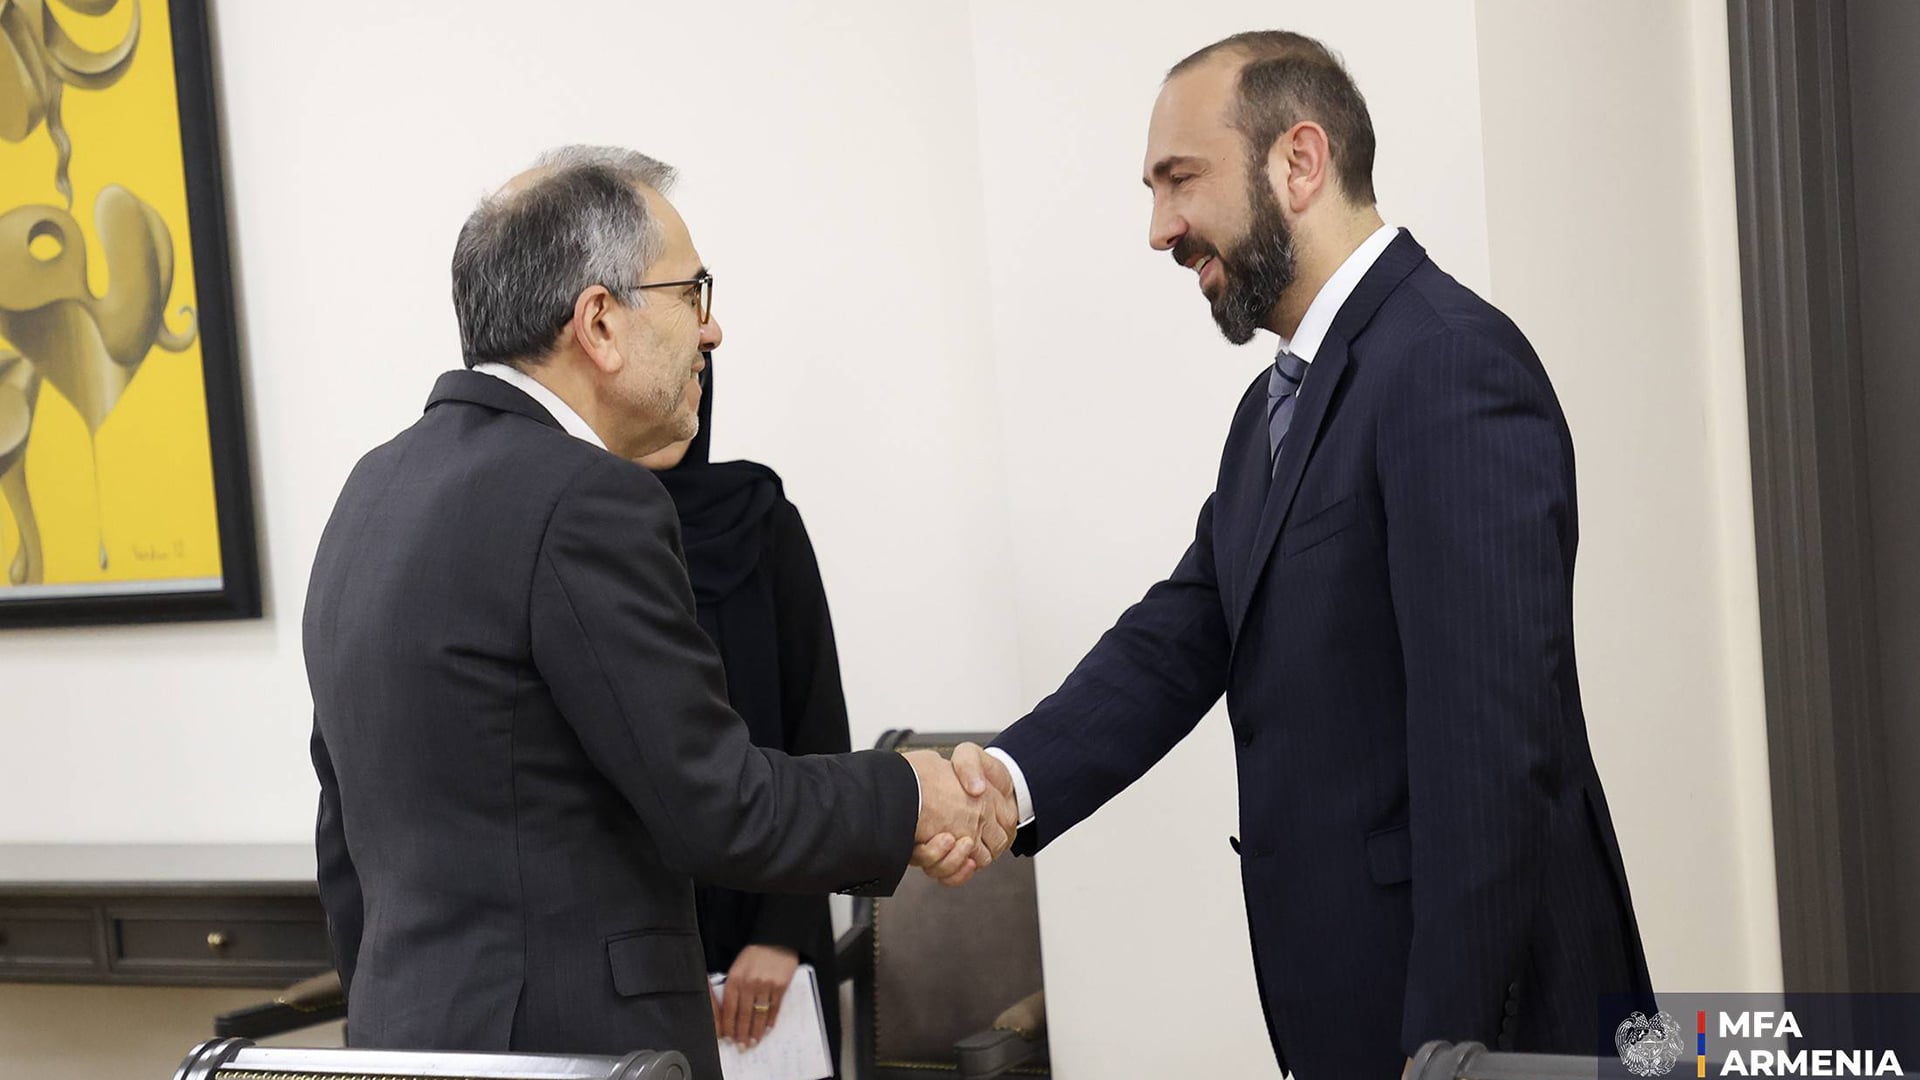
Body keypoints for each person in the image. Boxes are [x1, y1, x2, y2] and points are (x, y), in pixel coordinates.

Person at [940, 30, 1654, 1079]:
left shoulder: (1449, 363)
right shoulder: (1268, 414)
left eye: (1181, 179)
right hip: (1358, 1012)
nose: (1159, 228)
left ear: (1300, 162)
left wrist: (1444, 1049)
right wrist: (1009, 782)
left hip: (1481, 1025)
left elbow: (1494, 750)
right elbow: (1181, 637)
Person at [303, 146, 1015, 1078]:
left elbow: (343, 831)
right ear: (600, 321)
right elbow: (716, 804)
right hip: (576, 1053)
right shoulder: (584, 498)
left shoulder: (371, 492)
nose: (711, 330)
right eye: (691, 294)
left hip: (405, 1041)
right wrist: (912, 793)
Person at [636, 357, 849, 1063]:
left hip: (775, 924)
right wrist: (658, 962)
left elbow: (819, 731)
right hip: (637, 946)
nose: (685, 390)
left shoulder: (761, 520)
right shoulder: (580, 534)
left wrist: (784, 931)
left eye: (697, 373)